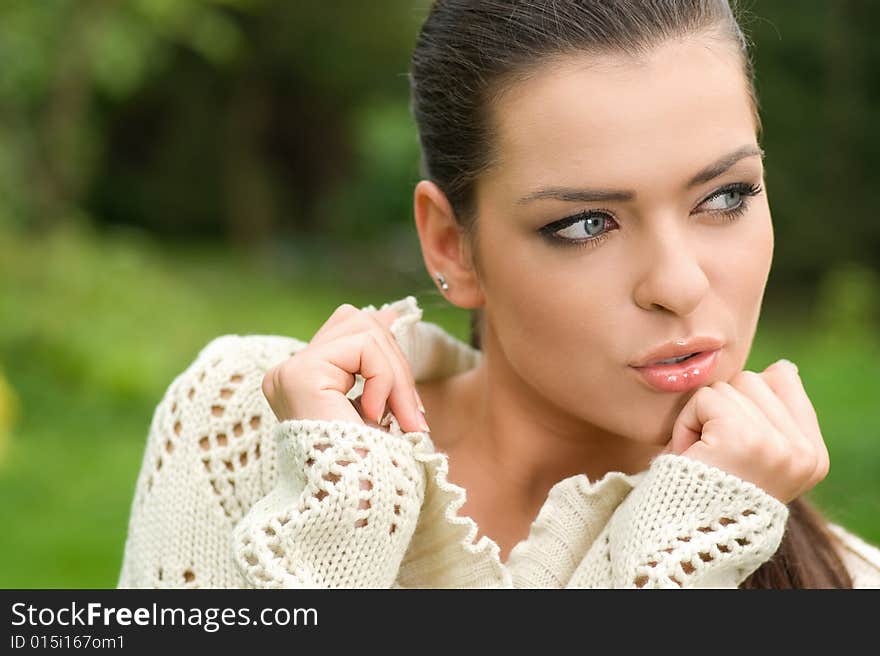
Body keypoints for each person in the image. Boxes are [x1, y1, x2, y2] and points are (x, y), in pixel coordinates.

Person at [117, 0, 880, 588]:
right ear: (452, 244)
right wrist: (337, 525)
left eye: (725, 197)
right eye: (587, 223)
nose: (679, 283)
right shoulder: (248, 425)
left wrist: (679, 551)